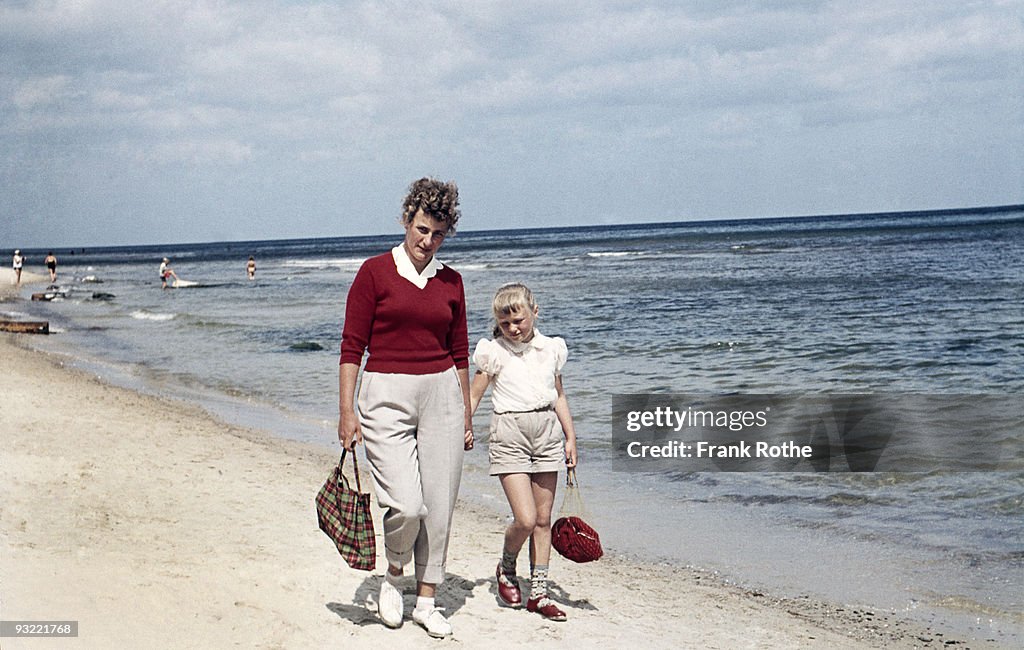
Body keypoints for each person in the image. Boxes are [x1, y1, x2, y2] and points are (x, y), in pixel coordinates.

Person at [337, 177, 473, 639]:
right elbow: (352, 347)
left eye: (437, 234)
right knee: (407, 503)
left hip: (443, 395)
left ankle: (428, 600)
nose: (427, 242)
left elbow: (460, 352)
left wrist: (467, 414)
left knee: (439, 504)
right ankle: (394, 575)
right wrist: (346, 411)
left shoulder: (452, 281)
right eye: (421, 229)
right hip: (385, 394)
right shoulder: (373, 273)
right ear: (405, 220)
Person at [469, 282, 579, 622]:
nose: (513, 328)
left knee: (543, 521)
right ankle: (506, 566)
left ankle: (540, 594)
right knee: (526, 519)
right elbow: (473, 395)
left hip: (547, 432)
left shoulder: (552, 349)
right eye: (506, 324)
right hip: (509, 433)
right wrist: (464, 426)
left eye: (519, 320)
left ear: (534, 311)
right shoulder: (493, 352)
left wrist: (570, 437)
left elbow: (558, 395)